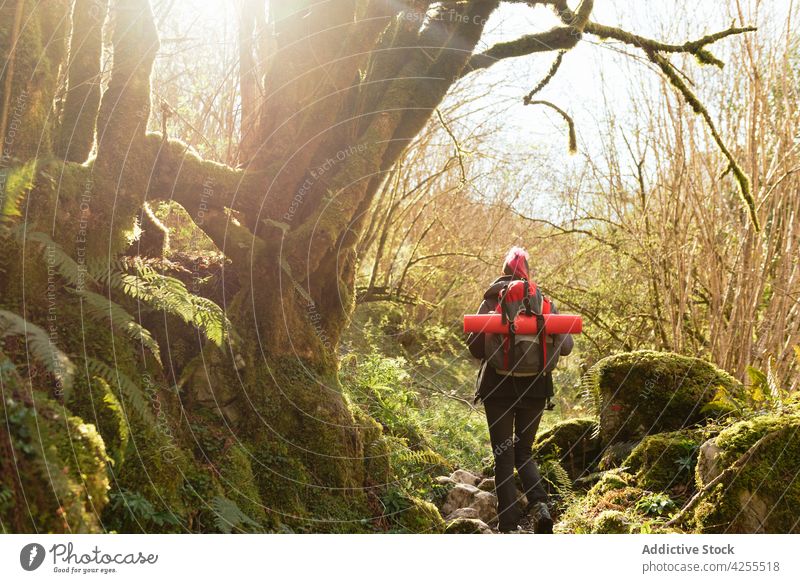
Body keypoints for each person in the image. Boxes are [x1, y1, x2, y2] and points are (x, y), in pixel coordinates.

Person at [466, 246, 574, 533]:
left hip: (498, 387)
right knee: (523, 451)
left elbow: (475, 346)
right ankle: (540, 506)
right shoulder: (542, 301)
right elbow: (566, 347)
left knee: (504, 454)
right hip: (537, 388)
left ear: (503, 270)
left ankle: (509, 525)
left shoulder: (492, 299)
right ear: (528, 270)